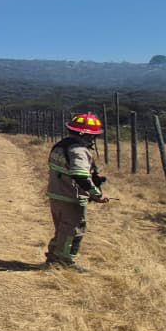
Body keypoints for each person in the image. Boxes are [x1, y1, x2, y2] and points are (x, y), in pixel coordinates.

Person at [46, 112, 109, 271]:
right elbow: (79, 175)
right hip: (71, 196)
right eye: (92, 136)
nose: (93, 139)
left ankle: (53, 257)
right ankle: (65, 262)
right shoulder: (78, 150)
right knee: (73, 231)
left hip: (56, 193)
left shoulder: (61, 145)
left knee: (62, 229)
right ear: (85, 134)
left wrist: (94, 176)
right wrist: (97, 194)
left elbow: (68, 170)